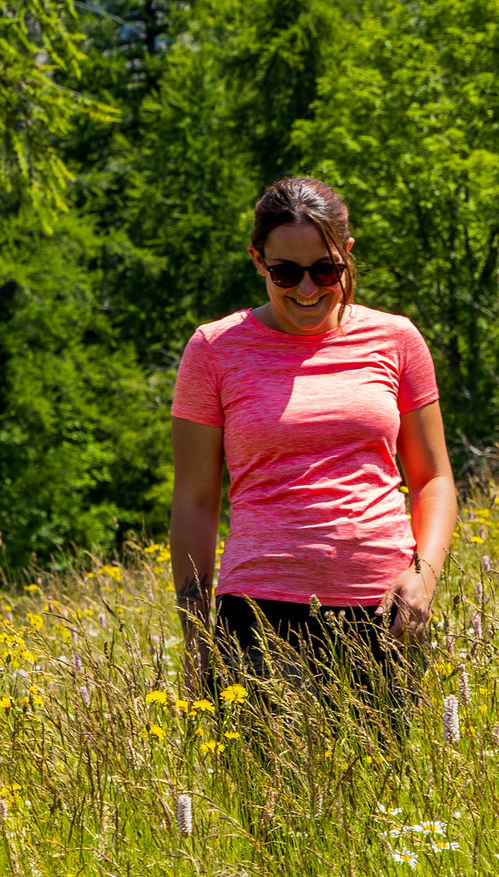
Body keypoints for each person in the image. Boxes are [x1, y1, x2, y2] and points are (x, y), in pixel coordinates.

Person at [169, 173, 458, 713]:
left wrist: (424, 575)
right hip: (257, 614)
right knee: (263, 795)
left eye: (326, 269)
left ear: (347, 254)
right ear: (258, 260)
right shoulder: (213, 350)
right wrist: (195, 635)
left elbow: (434, 479)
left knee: (387, 792)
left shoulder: (395, 339)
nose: (307, 289)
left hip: (384, 609)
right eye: (285, 272)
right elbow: (195, 500)